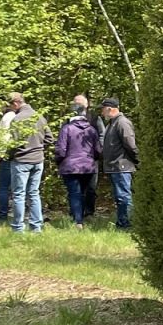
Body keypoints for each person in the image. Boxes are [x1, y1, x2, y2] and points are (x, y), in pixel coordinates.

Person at [3, 92, 48, 233]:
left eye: (10, 105)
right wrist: (38, 148)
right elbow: (49, 139)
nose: (11, 108)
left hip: (21, 160)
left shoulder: (17, 119)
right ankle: (36, 227)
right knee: (34, 193)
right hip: (38, 160)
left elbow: (13, 143)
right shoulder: (39, 116)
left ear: (16, 103)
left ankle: (18, 228)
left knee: (19, 194)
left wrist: (9, 156)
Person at [55, 98, 101, 229]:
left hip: (71, 167)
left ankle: (78, 221)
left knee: (74, 193)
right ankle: (85, 217)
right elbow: (98, 150)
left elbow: (61, 150)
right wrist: (92, 159)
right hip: (88, 167)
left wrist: (59, 162)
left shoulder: (67, 129)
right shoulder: (92, 129)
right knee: (84, 192)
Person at [99, 98, 138, 230]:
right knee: (119, 197)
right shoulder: (112, 123)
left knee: (123, 197)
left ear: (110, 109)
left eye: (103, 110)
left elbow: (130, 145)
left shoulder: (122, 123)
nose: (102, 113)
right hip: (114, 167)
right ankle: (122, 222)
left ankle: (126, 225)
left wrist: (138, 160)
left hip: (122, 166)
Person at [0, 101, 15, 224]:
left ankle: (2, 216)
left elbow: (3, 138)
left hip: (6, 155)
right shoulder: (22, 116)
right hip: (19, 155)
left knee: (3, 188)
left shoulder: (7, 117)